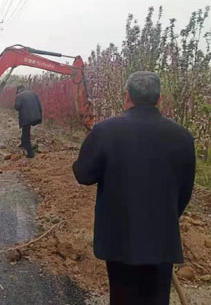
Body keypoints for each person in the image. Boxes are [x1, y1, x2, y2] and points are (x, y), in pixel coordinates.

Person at [72, 71, 195, 305]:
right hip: (161, 238)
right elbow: (185, 191)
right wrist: (166, 217)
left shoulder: (105, 131)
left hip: (119, 237)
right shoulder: (183, 137)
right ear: (160, 99)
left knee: (122, 297)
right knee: (157, 299)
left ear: (127, 97)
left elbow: (83, 174)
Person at [14, 85, 42, 158]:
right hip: (35, 115)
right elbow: (39, 104)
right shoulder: (33, 93)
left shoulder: (19, 96)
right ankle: (23, 144)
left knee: (26, 134)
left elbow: (17, 107)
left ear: (18, 90)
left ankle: (30, 153)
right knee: (25, 130)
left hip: (26, 117)